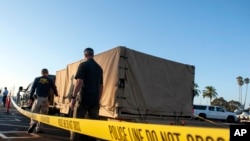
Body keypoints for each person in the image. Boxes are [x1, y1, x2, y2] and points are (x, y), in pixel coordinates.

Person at [70, 48, 103, 141]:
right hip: (95, 101)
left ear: (85, 55)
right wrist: (98, 100)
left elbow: (79, 82)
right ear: (93, 54)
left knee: (76, 125)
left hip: (83, 99)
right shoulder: (99, 68)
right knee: (92, 127)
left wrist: (73, 98)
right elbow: (101, 86)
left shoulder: (83, 65)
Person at [27, 68, 58, 133]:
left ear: (41, 73)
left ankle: (33, 124)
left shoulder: (37, 79)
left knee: (34, 112)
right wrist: (57, 94)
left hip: (38, 98)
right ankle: (39, 128)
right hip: (46, 99)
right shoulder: (50, 80)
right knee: (43, 114)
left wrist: (30, 98)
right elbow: (54, 88)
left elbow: (32, 89)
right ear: (47, 73)